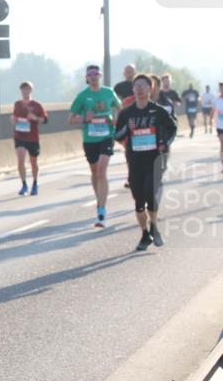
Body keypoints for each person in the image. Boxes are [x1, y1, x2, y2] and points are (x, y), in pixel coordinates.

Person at [115, 74, 177, 251]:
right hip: (135, 162)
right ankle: (144, 233)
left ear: (150, 89)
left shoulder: (158, 111)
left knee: (150, 195)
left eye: (143, 86)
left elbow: (172, 128)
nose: (140, 89)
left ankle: (154, 226)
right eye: (137, 86)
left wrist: (165, 142)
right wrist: (129, 128)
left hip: (154, 160)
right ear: (133, 90)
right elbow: (117, 136)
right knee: (139, 203)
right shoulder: (127, 113)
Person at [69, 65, 121, 228]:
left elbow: (120, 108)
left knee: (101, 171)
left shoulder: (108, 92)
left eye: (96, 74)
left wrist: (116, 119)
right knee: (94, 173)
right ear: (87, 78)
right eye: (90, 75)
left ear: (100, 76)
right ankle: (100, 200)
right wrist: (85, 117)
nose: (93, 77)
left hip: (107, 136)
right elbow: (71, 119)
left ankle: (101, 210)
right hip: (90, 139)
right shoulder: (83, 96)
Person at [10, 81, 48, 195]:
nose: (25, 92)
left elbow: (45, 120)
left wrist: (35, 118)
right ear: (21, 91)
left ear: (31, 90)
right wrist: (13, 119)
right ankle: (24, 185)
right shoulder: (17, 104)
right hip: (19, 135)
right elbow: (15, 118)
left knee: (33, 162)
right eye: (23, 89)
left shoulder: (37, 105)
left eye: (27, 89)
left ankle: (35, 183)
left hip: (32, 137)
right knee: (20, 159)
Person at [215, 83, 223, 168]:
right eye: (221, 88)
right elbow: (214, 111)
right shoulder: (217, 100)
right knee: (222, 143)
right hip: (220, 126)